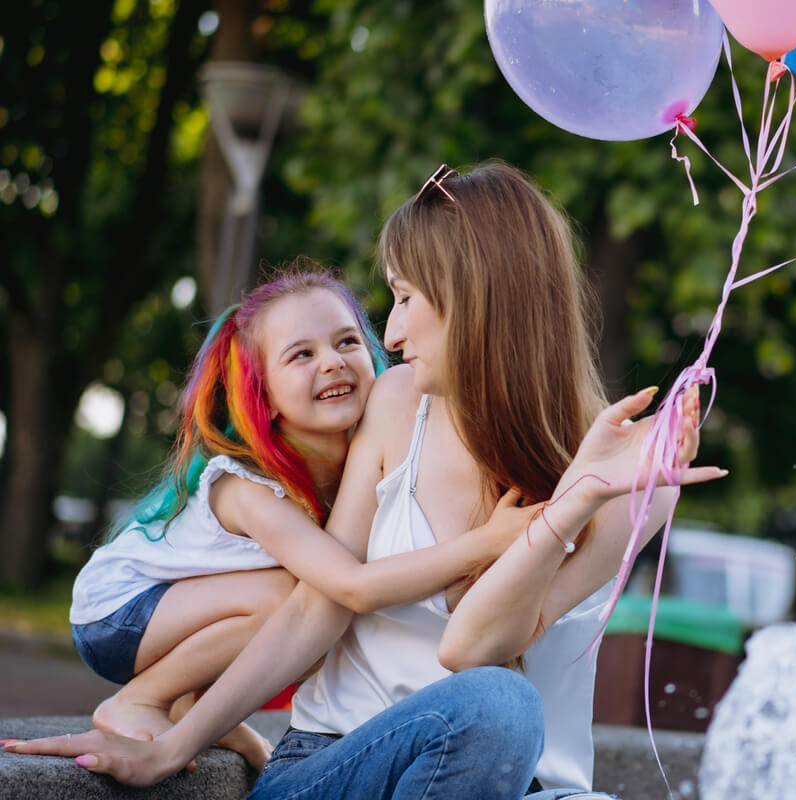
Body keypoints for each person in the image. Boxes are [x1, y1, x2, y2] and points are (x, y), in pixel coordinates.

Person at [7, 161, 722, 799]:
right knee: (501, 705)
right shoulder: (399, 402)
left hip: (530, 785)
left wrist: (575, 503)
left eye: (407, 299)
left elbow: (483, 643)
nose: (395, 335)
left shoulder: (640, 481)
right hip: (337, 765)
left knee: (508, 715)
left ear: (476, 297)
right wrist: (170, 745)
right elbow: (317, 606)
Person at [68, 265, 534, 768]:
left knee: (314, 630)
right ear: (262, 395)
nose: (332, 363)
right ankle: (140, 701)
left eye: (347, 342)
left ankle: (196, 706)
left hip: (191, 612)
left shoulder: (365, 454)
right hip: (118, 613)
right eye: (302, 355)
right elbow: (352, 586)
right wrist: (489, 542)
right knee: (302, 596)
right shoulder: (247, 488)